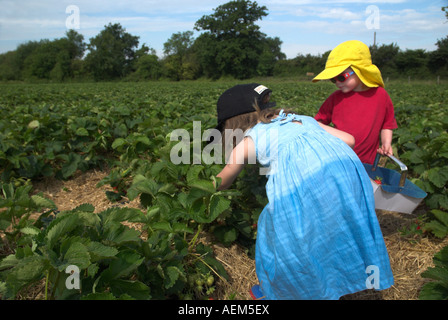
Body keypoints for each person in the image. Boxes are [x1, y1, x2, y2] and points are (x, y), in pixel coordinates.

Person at [214, 83, 394, 300]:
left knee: (282, 237)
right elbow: (349, 140)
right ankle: (343, 279)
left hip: (307, 184)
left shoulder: (252, 138)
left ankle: (284, 290)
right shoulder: (303, 119)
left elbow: (226, 176)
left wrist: (207, 187)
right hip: (348, 175)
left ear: (234, 123)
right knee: (337, 233)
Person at [312, 40, 398, 165]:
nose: (337, 82)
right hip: (338, 159)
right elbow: (317, 123)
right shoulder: (335, 98)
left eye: (341, 77)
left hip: (366, 162)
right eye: (333, 79)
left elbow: (387, 124)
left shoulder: (381, 96)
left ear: (359, 71)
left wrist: (386, 143)